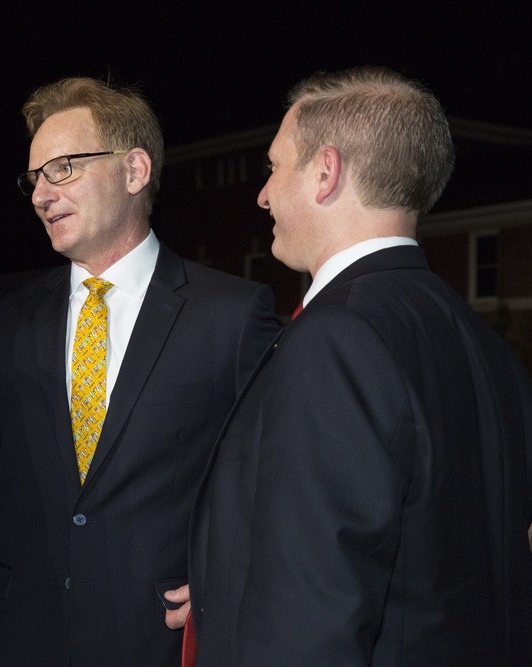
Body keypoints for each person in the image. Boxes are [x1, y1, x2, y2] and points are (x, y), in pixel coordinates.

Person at [179, 66, 532, 665]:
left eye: (274, 166)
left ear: (325, 172)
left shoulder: (334, 340)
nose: (262, 193)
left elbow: (314, 616)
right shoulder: (486, 346)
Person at [0, 76, 281, 667]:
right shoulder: (4, 321)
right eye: (34, 178)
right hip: (15, 643)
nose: (41, 194)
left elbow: (277, 481)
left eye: (62, 168)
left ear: (134, 170)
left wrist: (234, 575)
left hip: (160, 644)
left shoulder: (232, 315)